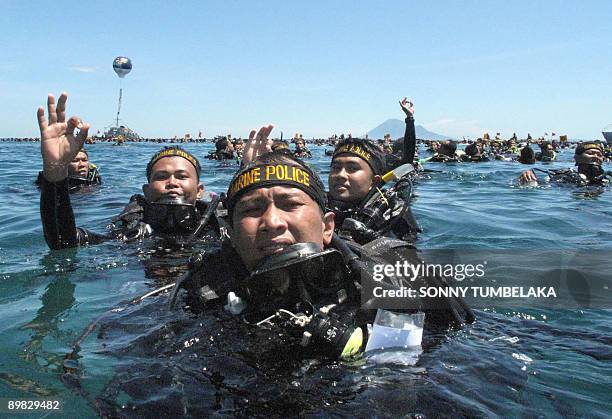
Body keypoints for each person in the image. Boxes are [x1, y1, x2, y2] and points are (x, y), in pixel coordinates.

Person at [170, 150, 474, 361]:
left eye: (290, 204)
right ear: (232, 235)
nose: (272, 222)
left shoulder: (392, 273)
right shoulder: (203, 293)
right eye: (251, 210)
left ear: (328, 226)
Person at [37, 93, 222, 250]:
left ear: (200, 190)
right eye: (161, 176)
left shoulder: (220, 229)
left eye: (181, 176)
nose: (172, 182)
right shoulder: (131, 231)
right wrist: (56, 172)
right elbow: (64, 242)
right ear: (146, 190)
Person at [326, 98, 420, 245]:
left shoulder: (393, 211)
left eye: (352, 168)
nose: (341, 175)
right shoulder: (317, 205)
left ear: (375, 180)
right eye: (336, 168)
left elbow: (414, 257)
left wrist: (410, 119)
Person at [518, 141, 610, 186]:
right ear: (576, 158)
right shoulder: (566, 176)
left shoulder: (608, 178)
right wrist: (528, 173)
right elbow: (541, 181)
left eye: (599, 154)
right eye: (590, 153)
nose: (596, 156)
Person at [35, 148, 101, 192]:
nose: (81, 165)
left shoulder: (95, 182)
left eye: (84, 160)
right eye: (75, 161)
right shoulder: (52, 186)